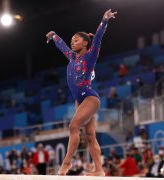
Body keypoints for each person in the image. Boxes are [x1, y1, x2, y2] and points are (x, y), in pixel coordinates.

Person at [46, 9, 117, 176]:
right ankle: (99, 170)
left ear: (85, 43)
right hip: (80, 100)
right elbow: (61, 45)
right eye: (72, 40)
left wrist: (104, 21)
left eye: (76, 40)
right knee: (90, 135)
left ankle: (66, 163)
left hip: (90, 98)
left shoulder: (90, 56)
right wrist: (54, 35)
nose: (72, 42)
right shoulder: (72, 57)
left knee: (73, 126)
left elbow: (98, 38)